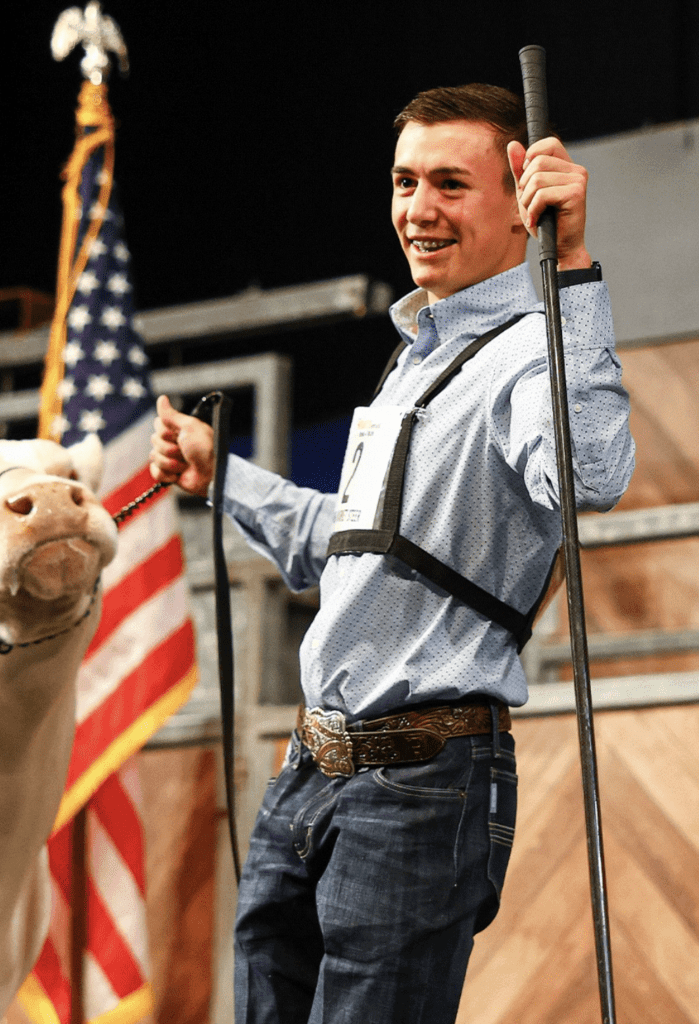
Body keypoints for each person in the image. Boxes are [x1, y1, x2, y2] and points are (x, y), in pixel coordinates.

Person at [149, 83, 635, 1024]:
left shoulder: (530, 355)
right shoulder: (415, 353)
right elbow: (349, 553)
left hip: (421, 782)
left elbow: (590, 476)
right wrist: (227, 480)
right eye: (404, 181)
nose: (418, 209)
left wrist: (569, 263)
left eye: (450, 184)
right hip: (310, 772)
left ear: (520, 196)